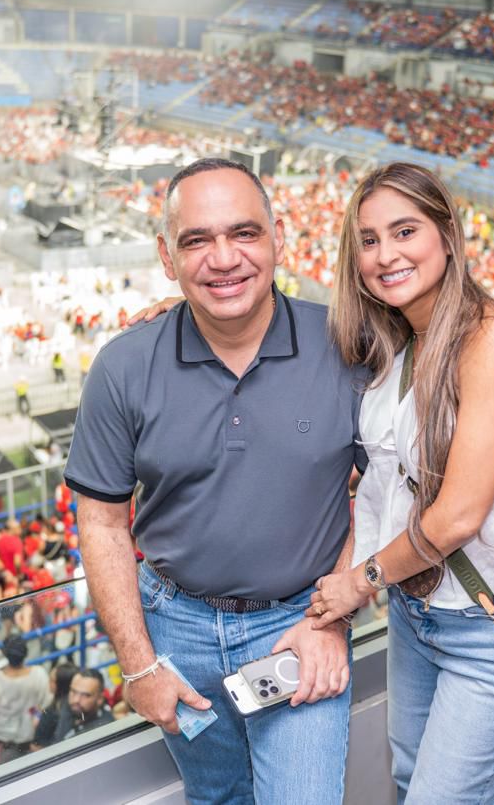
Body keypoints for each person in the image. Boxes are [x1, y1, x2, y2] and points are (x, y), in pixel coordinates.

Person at [67, 158, 362, 803]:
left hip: (297, 624)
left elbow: (382, 489)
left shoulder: (346, 347)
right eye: (196, 240)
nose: (223, 258)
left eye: (244, 233)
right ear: (167, 258)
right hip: (177, 632)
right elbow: (101, 520)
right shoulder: (123, 366)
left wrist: (332, 614)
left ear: (278, 236)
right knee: (218, 798)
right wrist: (139, 663)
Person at [307, 163, 494, 802]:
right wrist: (182, 313)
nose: (385, 254)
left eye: (405, 231)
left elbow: (459, 514)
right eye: (369, 240)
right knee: (411, 783)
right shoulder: (400, 338)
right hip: (418, 610)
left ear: (449, 235)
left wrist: (361, 580)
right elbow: (381, 480)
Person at [0, 635, 51, 764]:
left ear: (4, 653)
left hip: (0, 740)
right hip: (28, 738)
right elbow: (45, 703)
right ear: (25, 652)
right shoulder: (39, 673)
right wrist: (33, 714)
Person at [67, 668, 112, 736]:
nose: (76, 700)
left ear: (100, 699)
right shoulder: (67, 709)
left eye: (86, 695)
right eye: (73, 691)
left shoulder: (102, 731)